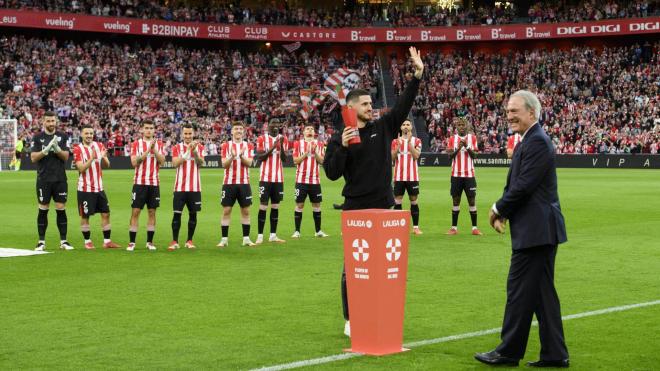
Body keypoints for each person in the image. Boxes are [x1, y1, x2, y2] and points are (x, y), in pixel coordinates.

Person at [324, 46, 423, 336]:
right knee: (352, 268)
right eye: (366, 104)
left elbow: (404, 104)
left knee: (384, 266)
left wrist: (417, 75)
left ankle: (380, 312)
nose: (371, 107)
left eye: (371, 103)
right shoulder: (340, 138)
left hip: (383, 207)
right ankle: (351, 319)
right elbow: (331, 174)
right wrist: (342, 147)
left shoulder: (384, 127)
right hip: (355, 208)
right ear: (352, 108)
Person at [476, 90, 569, 368]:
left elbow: (524, 186)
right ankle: (555, 354)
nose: (509, 116)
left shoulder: (537, 142)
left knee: (518, 291)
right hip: (537, 230)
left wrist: (498, 208)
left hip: (537, 232)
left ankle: (508, 352)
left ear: (532, 112)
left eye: (514, 111)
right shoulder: (529, 141)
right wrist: (506, 211)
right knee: (542, 295)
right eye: (507, 111)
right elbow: (519, 184)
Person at [30, 111, 74, 251]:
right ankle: (41, 241)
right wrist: (46, 150)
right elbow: (33, 158)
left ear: (56, 121)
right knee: (43, 209)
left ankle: (64, 241)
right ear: (43, 122)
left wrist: (56, 149)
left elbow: (66, 157)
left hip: (60, 179)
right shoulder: (37, 138)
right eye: (48, 121)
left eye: (52, 121)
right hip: (44, 180)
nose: (50, 123)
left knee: (61, 209)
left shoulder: (63, 136)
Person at [72, 125, 121, 249]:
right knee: (85, 216)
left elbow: (107, 165)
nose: (89, 135)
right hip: (85, 189)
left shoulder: (99, 146)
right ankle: (87, 242)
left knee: (106, 213)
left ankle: (107, 241)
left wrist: (103, 157)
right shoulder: (78, 149)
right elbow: (81, 168)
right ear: (82, 135)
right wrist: (92, 158)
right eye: (86, 133)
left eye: (91, 133)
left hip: (99, 188)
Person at [127, 119, 165, 251]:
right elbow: (134, 162)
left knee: (152, 212)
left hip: (154, 183)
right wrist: (148, 150)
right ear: (142, 130)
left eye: (151, 128)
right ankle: (132, 242)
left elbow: (162, 161)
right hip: (139, 183)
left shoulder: (159, 144)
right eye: (147, 128)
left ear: (154, 130)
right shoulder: (136, 144)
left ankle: (150, 242)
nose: (149, 130)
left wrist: (154, 150)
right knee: (136, 211)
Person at [218, 121, 255, 247]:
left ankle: (246, 239)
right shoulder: (225, 146)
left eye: (240, 129)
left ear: (243, 131)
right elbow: (224, 164)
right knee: (226, 210)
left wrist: (240, 156)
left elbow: (249, 163)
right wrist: (233, 156)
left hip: (244, 183)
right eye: (236, 129)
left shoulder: (248, 146)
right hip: (229, 183)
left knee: (245, 211)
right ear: (231, 131)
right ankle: (224, 240)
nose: (238, 131)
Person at [168, 123, 205, 251]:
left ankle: (189, 240)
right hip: (179, 188)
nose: (188, 136)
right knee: (177, 214)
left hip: (195, 187)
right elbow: (175, 163)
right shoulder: (177, 147)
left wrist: (194, 151)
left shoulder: (200, 147)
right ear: (182, 134)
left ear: (193, 133)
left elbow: (201, 163)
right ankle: (174, 241)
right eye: (186, 133)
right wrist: (187, 151)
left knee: (193, 215)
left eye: (190, 133)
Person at [446, 117, 482, 236]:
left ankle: (475, 228)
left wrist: (466, 146)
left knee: (472, 200)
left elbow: (475, 156)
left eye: (463, 125)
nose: (461, 126)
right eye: (459, 125)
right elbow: (450, 156)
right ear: (456, 127)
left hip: (469, 175)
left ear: (467, 126)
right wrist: (459, 148)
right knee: (456, 201)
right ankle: (454, 228)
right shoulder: (452, 139)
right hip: (456, 175)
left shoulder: (472, 138)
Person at [254, 119, 288, 244]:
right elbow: (261, 157)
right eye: (272, 124)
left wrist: (282, 147)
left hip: (278, 179)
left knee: (275, 206)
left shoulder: (283, 138)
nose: (275, 126)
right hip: (265, 178)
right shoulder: (262, 139)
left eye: (277, 124)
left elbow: (284, 159)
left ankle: (273, 235)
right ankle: (260, 235)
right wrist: (274, 146)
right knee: (263, 206)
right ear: (268, 126)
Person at [291, 122, 328, 238]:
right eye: (308, 129)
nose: (310, 130)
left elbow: (322, 161)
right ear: (304, 132)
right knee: (299, 205)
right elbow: (295, 161)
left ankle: (318, 231)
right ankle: (297, 231)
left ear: (314, 132)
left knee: (317, 205)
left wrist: (315, 151)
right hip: (301, 180)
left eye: (312, 129)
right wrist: (307, 153)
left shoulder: (320, 144)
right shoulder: (298, 144)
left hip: (315, 181)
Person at [391, 119, 423, 235]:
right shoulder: (395, 141)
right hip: (399, 177)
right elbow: (392, 158)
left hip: (412, 177)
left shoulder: (417, 141)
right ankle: (398, 227)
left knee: (414, 201)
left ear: (411, 127)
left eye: (408, 124)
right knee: (397, 201)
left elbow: (416, 156)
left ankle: (415, 227)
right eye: (403, 124)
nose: (405, 126)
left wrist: (409, 143)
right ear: (400, 127)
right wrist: (398, 147)